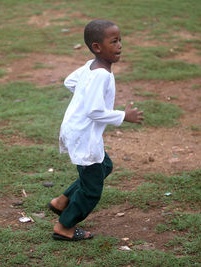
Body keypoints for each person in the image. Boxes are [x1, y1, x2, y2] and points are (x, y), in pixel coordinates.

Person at [48, 19, 144, 241]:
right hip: (84, 136)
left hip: (75, 129)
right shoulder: (101, 74)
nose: (120, 45)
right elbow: (93, 111)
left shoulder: (91, 65)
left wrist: (83, 93)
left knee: (105, 166)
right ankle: (64, 227)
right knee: (92, 189)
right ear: (97, 47)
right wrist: (123, 116)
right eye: (113, 41)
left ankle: (61, 202)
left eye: (120, 40)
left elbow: (69, 82)